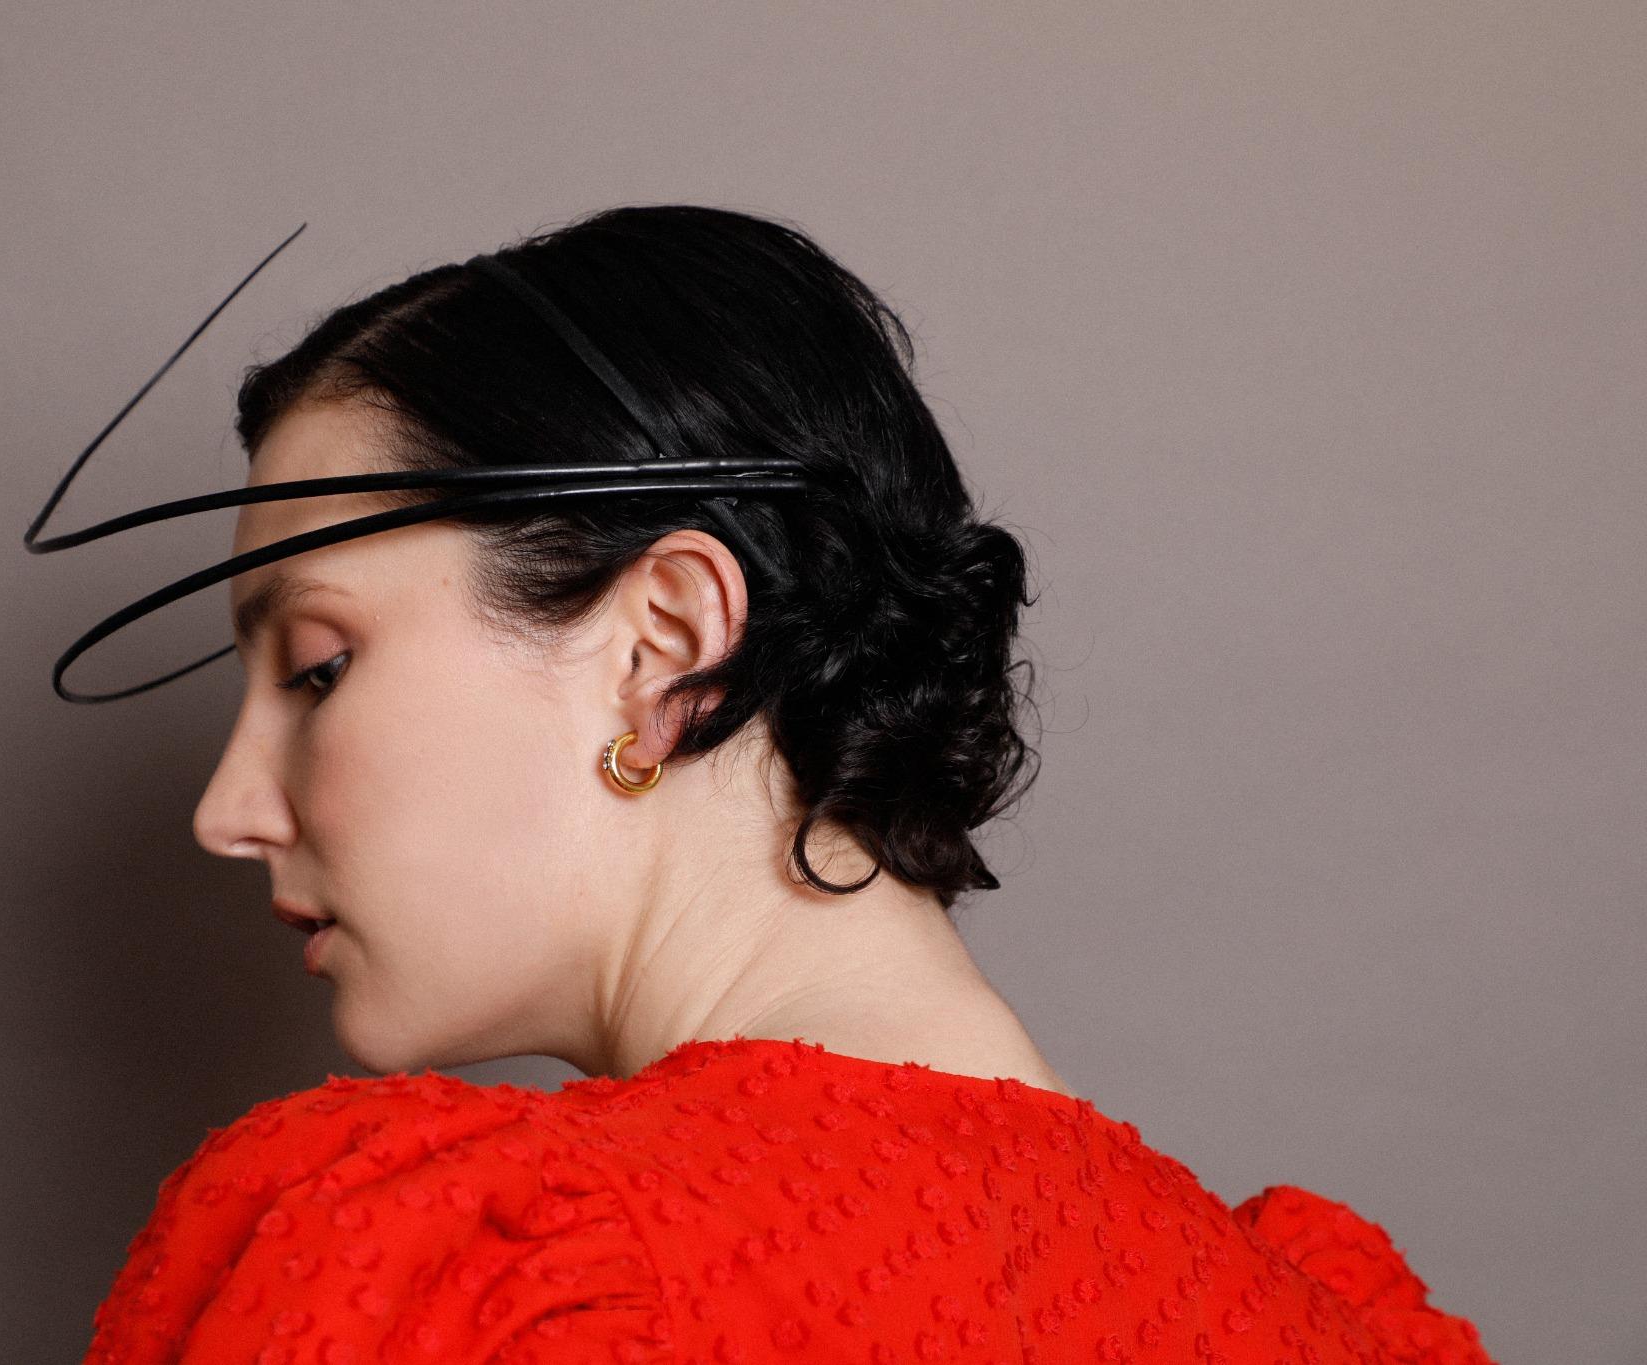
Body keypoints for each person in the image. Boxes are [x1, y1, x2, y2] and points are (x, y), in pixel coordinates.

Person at [79, 206, 1493, 1364]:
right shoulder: (1340, 1328)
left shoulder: (463, 1269)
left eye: (318, 667)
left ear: (665, 643)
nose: (229, 809)